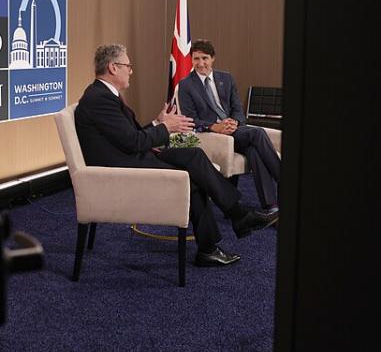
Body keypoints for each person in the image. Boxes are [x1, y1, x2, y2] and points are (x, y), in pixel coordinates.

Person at [75, 43, 278, 268]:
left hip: (132, 156)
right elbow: (133, 142)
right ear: (114, 68)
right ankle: (214, 243)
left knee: (194, 156)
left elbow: (128, 136)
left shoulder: (104, 95)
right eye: (128, 66)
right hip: (123, 168)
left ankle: (237, 217)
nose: (130, 71)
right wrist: (166, 128)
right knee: (192, 177)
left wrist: (157, 123)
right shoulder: (100, 99)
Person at [177, 39, 281, 210]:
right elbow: (190, 119)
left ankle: (271, 207)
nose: (201, 63)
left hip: (235, 130)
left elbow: (238, 109)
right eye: (196, 59)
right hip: (213, 135)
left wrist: (235, 122)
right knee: (258, 133)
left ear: (213, 58)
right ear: (191, 60)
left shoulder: (226, 78)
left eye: (205, 58)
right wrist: (214, 126)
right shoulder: (186, 85)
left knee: (254, 150)